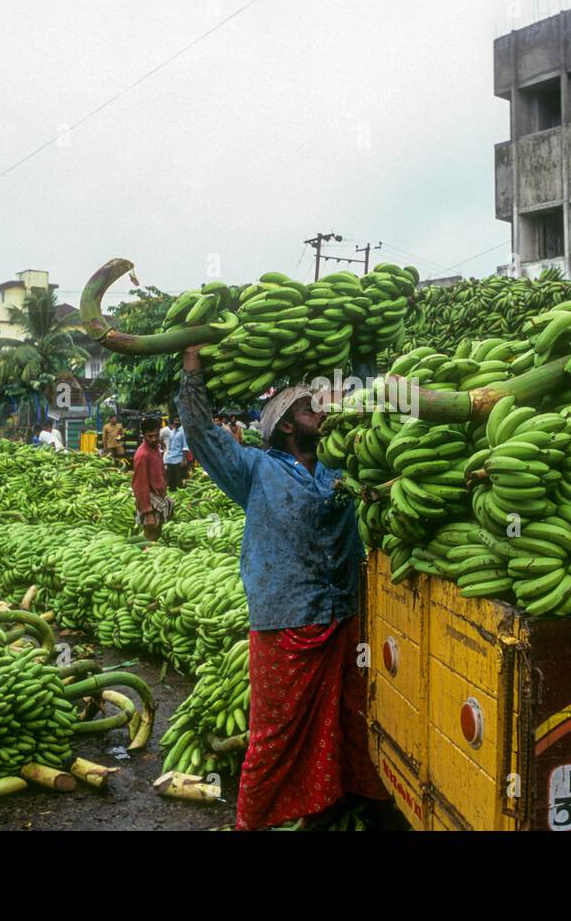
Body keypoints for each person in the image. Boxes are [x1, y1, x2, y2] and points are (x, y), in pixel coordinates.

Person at [176, 347, 389, 830]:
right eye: (310, 408)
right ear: (287, 426)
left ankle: (343, 804)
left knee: (353, 717)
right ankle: (254, 821)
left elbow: (371, 411)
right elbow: (202, 434)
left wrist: (358, 357)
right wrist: (193, 370)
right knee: (277, 732)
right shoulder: (256, 470)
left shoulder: (342, 469)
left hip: (346, 613)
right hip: (288, 618)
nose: (322, 412)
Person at [132, 420, 171, 541]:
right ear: (143, 435)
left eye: (156, 435)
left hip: (158, 498)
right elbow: (140, 486)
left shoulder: (155, 449)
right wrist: (147, 512)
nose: (154, 439)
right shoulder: (142, 455)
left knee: (157, 533)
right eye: (150, 436)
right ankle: (146, 557)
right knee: (150, 535)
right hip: (149, 501)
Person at [164, 416, 189, 490]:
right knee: (171, 482)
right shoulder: (172, 432)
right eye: (175, 420)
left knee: (180, 482)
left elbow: (185, 446)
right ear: (173, 421)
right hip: (171, 460)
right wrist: (166, 460)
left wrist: (184, 459)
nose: (177, 422)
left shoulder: (183, 432)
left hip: (179, 460)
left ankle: (181, 498)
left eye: (178, 420)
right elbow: (170, 447)